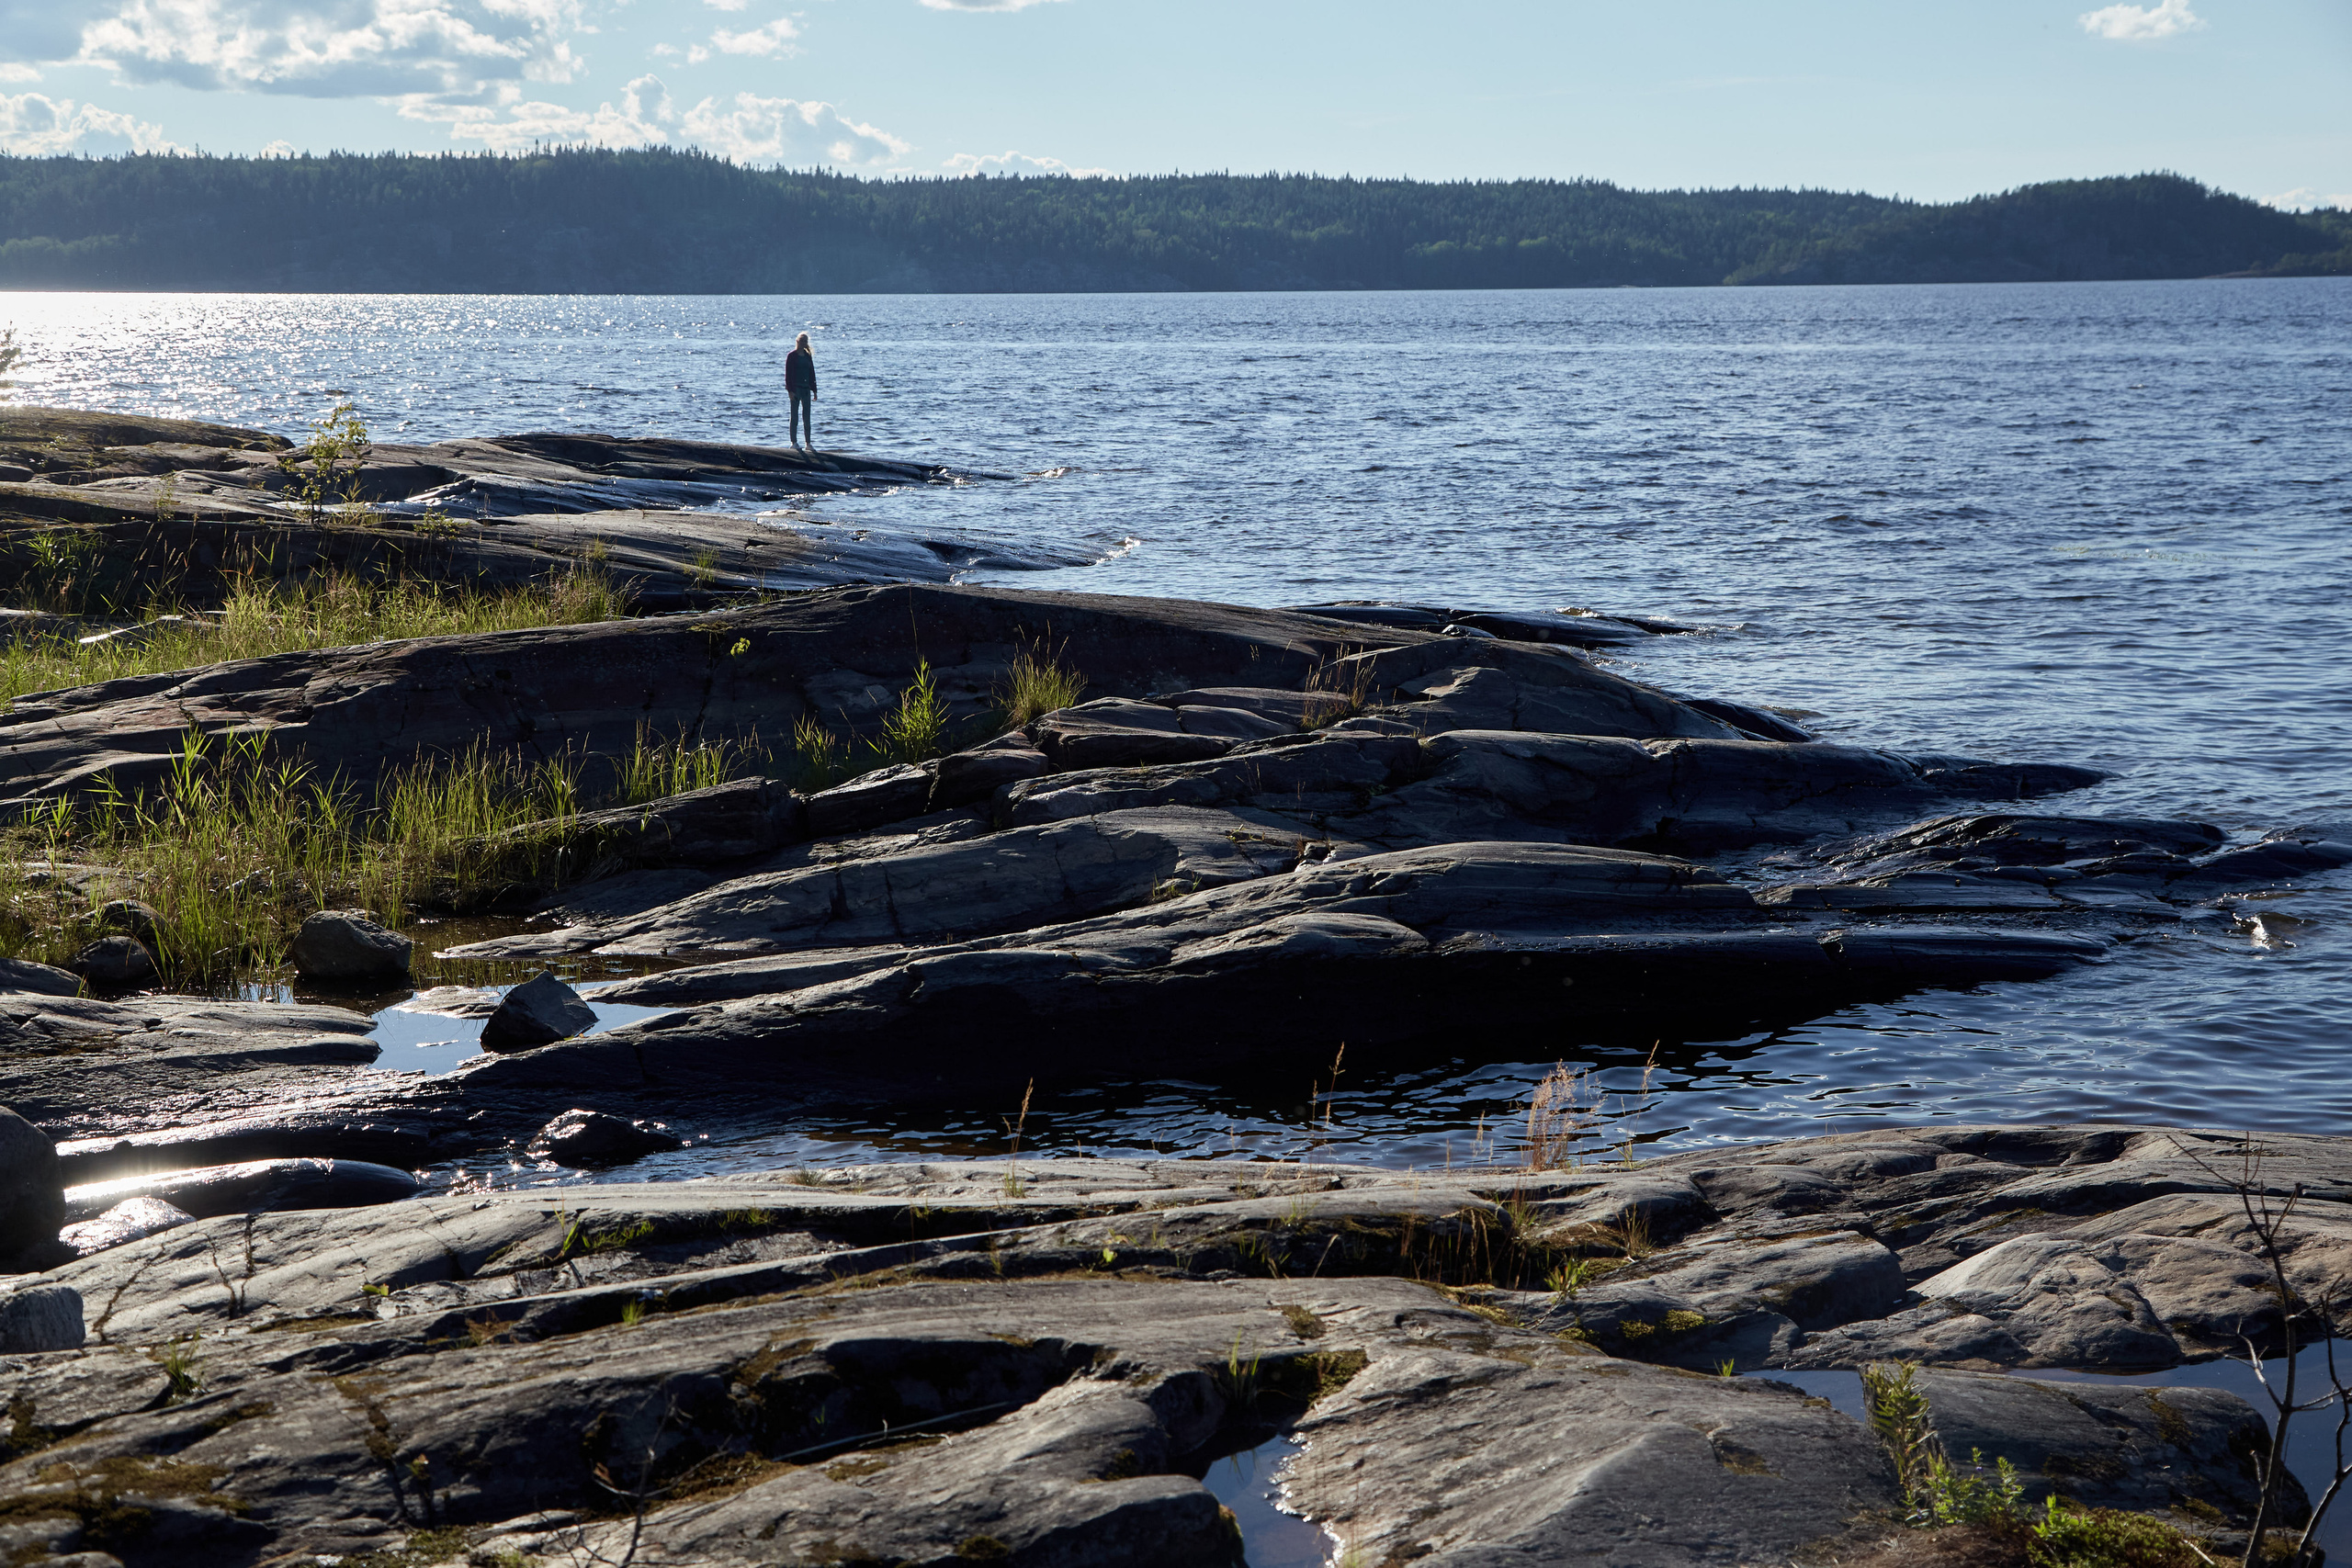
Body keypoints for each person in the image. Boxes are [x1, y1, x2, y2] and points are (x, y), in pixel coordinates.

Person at [786, 332, 818, 449]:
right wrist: (790, 391)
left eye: (805, 341)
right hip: (795, 389)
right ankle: (793, 442)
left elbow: (811, 373)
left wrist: (814, 390)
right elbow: (788, 375)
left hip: (806, 390)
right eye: (801, 341)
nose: (803, 343)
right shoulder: (791, 356)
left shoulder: (808, 356)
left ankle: (808, 443)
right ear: (797, 341)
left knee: (807, 417)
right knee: (794, 416)